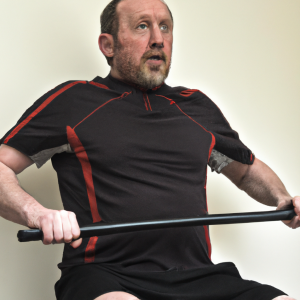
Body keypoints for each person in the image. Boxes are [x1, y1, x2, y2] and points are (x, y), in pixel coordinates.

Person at [0, 0, 299, 299]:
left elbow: (246, 172)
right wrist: (37, 214)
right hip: (107, 277)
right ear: (108, 45)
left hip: (199, 277)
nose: (158, 38)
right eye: (142, 26)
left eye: (165, 27)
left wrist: (284, 199)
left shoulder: (195, 106)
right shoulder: (74, 101)